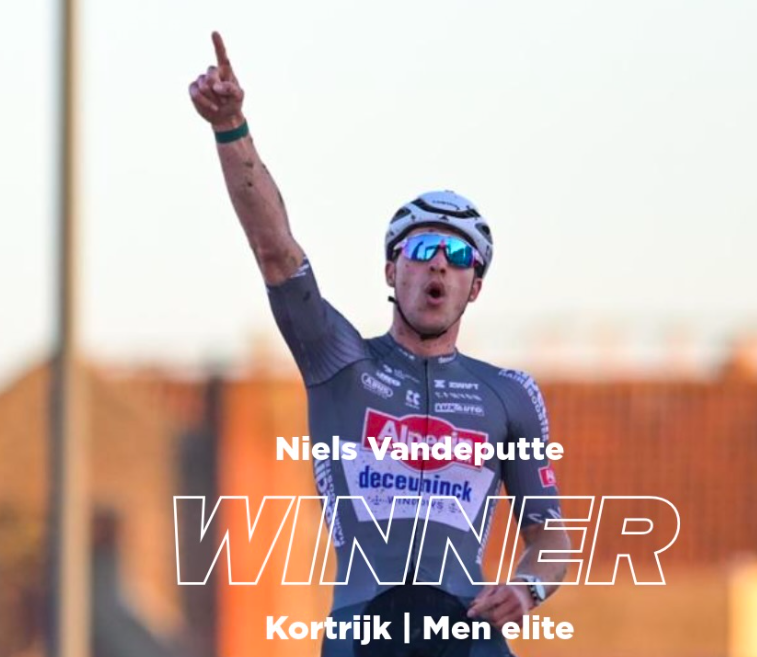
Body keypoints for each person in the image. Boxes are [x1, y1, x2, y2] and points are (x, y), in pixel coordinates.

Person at [189, 32, 570, 657]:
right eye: (421, 249)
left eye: (459, 256)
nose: (438, 264)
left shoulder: (508, 394)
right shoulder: (339, 360)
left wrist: (528, 589)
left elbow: (551, 540)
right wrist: (231, 127)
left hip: (465, 630)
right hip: (366, 629)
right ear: (392, 271)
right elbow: (276, 251)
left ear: (475, 287)